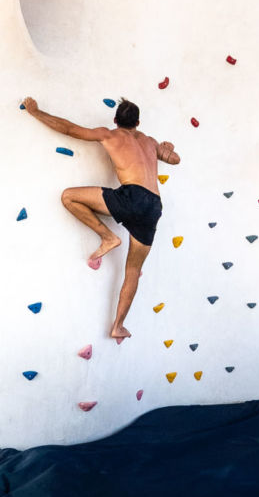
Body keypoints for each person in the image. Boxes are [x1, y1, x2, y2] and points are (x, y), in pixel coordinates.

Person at [22, 96, 180, 340]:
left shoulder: (109, 135)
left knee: (68, 197)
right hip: (154, 206)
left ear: (115, 120)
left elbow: (70, 129)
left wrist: (36, 112)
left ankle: (107, 237)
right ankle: (118, 326)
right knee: (133, 270)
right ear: (138, 122)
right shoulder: (150, 141)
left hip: (133, 196)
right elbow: (174, 159)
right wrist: (167, 150)